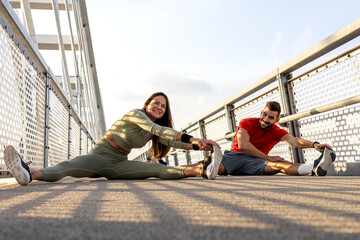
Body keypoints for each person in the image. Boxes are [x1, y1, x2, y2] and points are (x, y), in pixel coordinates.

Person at [4, 92, 222, 186]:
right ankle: (28, 173)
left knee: (156, 170)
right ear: (147, 104)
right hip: (100, 156)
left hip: (119, 164)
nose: (159, 107)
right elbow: (155, 128)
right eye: (156, 102)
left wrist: (197, 144)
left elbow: (171, 140)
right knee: (67, 167)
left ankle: (201, 169)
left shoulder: (157, 129)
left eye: (163, 106)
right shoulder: (136, 115)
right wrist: (193, 137)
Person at [188, 101, 336, 177]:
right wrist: (268, 157)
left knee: (280, 164)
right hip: (235, 157)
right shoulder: (247, 122)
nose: (265, 119)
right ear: (261, 112)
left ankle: (313, 169)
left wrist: (314, 144)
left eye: (271, 117)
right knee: (206, 168)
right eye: (264, 114)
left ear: (276, 120)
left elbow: (294, 141)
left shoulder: (276, 131)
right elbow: (243, 145)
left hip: (257, 162)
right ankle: (173, 170)